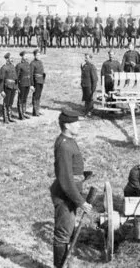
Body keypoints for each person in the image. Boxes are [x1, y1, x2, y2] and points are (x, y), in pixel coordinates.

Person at [50, 108, 92, 268]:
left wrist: (82, 175)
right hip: (65, 196)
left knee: (67, 231)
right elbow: (65, 179)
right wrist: (81, 202)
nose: (79, 126)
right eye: (77, 124)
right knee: (62, 235)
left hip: (70, 193)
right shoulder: (64, 146)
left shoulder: (68, 141)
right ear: (67, 125)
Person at [0, 53, 19, 123]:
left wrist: (16, 88)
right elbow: (1, 80)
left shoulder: (13, 67)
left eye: (13, 58)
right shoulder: (4, 67)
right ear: (7, 59)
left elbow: (15, 79)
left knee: (10, 102)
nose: (12, 59)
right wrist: (1, 90)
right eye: (11, 58)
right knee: (6, 102)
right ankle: (6, 118)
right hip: (7, 86)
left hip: (13, 87)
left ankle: (10, 117)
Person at [16, 51, 32, 120]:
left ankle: (24, 113)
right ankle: (20, 114)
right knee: (20, 99)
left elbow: (30, 75)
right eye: (25, 56)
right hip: (22, 84)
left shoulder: (28, 64)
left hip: (27, 83)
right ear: (22, 56)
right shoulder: (19, 65)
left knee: (25, 98)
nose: (26, 57)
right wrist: (17, 86)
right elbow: (16, 76)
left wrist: (31, 84)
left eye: (27, 55)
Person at [30, 49, 46, 116]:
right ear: (34, 55)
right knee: (35, 96)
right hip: (36, 81)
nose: (39, 56)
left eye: (39, 55)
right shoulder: (32, 63)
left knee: (39, 96)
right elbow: (31, 74)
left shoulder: (40, 62)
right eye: (37, 55)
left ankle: (37, 110)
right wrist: (31, 84)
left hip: (41, 81)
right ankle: (35, 111)